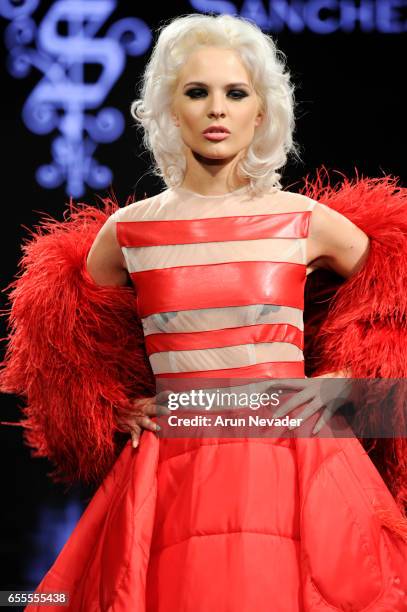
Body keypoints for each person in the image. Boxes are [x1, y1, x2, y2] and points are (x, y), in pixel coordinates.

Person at [1, 12, 407, 612]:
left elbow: (394, 302)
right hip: (173, 467)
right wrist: (108, 407)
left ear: (260, 112)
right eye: (197, 92)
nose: (217, 109)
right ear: (169, 110)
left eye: (235, 93)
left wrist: (352, 388)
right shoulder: (128, 233)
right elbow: (59, 345)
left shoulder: (302, 221)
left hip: (295, 460)